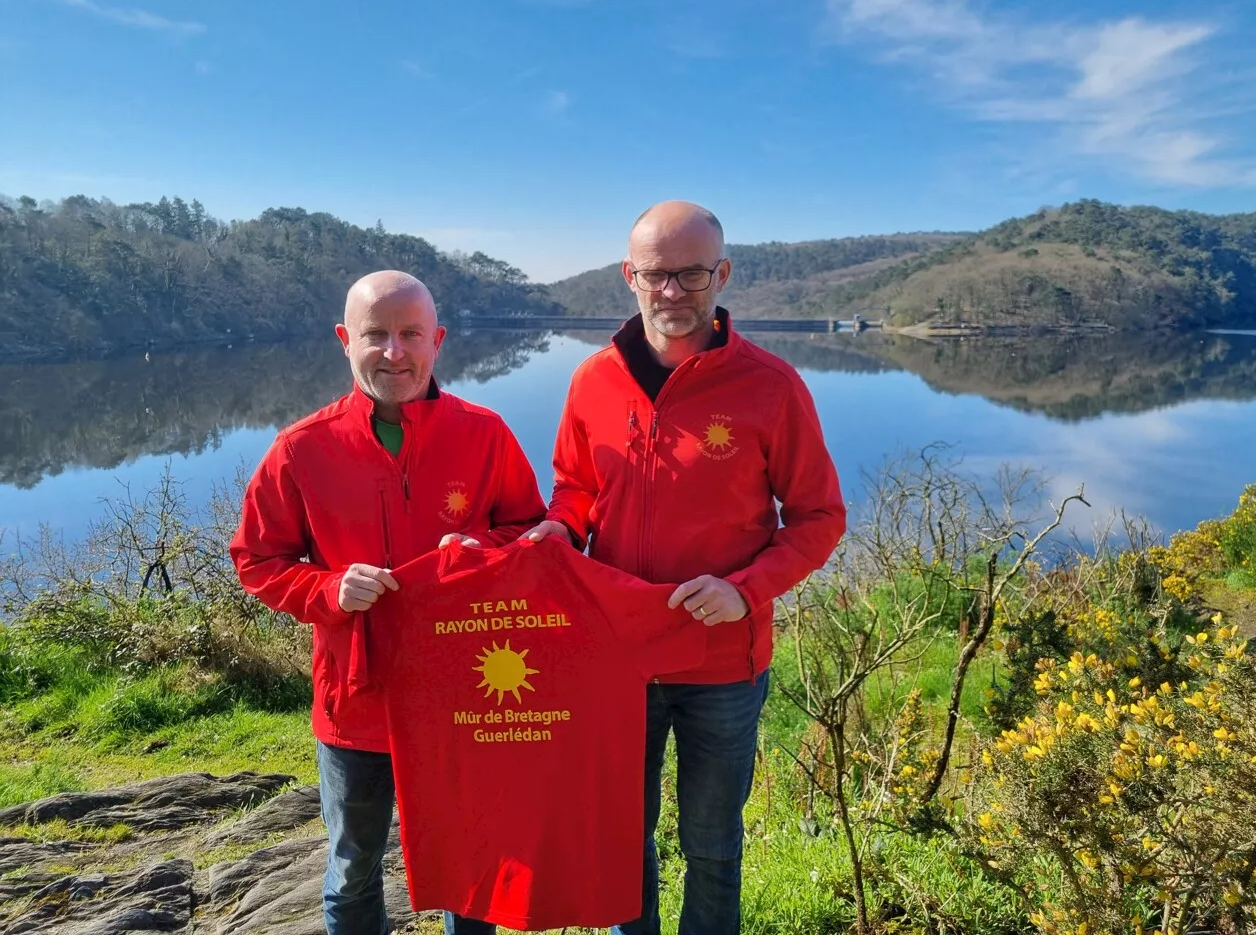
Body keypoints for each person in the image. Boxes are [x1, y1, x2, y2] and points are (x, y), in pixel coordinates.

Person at [524, 201, 847, 934]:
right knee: (620, 841)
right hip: (618, 660)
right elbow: (575, 486)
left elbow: (820, 518)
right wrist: (558, 528)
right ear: (629, 277)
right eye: (656, 274)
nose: (673, 291)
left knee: (712, 847)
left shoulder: (771, 386)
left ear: (722, 274)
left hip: (722, 664)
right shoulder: (592, 381)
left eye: (691, 274)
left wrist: (746, 591)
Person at [229, 270, 546, 935]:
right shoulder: (300, 449)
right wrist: (326, 588)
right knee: (353, 867)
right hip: (357, 702)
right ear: (346, 340)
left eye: (410, 335)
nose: (394, 352)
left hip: (467, 693)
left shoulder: (484, 433)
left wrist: (480, 549)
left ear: (438, 341)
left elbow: (529, 532)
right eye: (376, 335)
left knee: (474, 861)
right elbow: (256, 560)